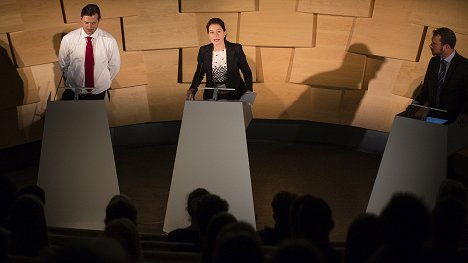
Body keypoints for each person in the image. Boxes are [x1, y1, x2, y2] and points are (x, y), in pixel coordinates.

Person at [58, 4, 120, 100]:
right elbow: (63, 64)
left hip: (98, 92)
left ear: (99, 20)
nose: (89, 27)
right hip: (74, 90)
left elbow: (114, 66)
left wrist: (102, 81)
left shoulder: (109, 40)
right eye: (86, 22)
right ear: (81, 19)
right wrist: (72, 78)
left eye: (93, 23)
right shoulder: (68, 39)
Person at [413, 27, 468, 126]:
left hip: (454, 124)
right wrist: (415, 104)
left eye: (434, 43)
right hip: (431, 120)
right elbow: (426, 90)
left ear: (446, 47)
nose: (430, 45)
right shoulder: (433, 62)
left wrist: (464, 114)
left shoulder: (464, 65)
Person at [187, 18, 253, 101]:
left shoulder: (236, 49)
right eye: (212, 32)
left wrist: (249, 90)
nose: (215, 35)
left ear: (224, 32)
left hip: (236, 95)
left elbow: (247, 72)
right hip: (212, 95)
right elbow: (199, 73)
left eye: (219, 31)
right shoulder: (204, 51)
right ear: (208, 34)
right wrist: (192, 89)